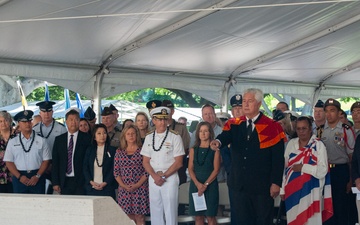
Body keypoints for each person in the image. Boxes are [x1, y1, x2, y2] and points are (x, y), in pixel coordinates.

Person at [210, 88, 286, 225]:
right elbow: (225, 137)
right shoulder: (234, 124)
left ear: (259, 103)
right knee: (240, 221)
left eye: (249, 101)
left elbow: (278, 158)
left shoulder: (272, 127)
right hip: (238, 185)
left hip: (262, 186)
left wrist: (276, 183)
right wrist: (218, 142)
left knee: (262, 221)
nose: (245, 104)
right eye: (244, 101)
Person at [280, 116, 332, 225]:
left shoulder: (318, 145)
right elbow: (284, 168)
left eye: (304, 128)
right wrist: (282, 189)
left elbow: (323, 170)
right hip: (292, 191)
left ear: (310, 129)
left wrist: (303, 167)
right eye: (298, 129)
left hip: (312, 193)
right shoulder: (291, 144)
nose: (301, 131)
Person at [141, 106, 185, 225]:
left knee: (170, 211)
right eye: (159, 119)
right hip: (154, 177)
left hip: (169, 177)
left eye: (165, 119)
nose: (162, 122)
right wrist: (155, 176)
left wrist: (164, 176)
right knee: (156, 210)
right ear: (153, 120)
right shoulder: (149, 137)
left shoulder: (175, 136)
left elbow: (179, 162)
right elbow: (145, 161)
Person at [322, 98, 356, 225]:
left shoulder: (346, 130)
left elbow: (352, 157)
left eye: (332, 111)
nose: (329, 114)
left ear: (338, 112)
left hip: (341, 171)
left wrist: (351, 179)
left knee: (341, 206)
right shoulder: (319, 130)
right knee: (326, 205)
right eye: (326, 111)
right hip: (324, 172)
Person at [4, 110, 51, 194]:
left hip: (37, 176)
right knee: (20, 205)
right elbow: (8, 162)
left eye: (29, 121)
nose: (27, 124)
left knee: (39, 204)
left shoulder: (41, 140)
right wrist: (19, 177)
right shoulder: (12, 142)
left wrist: (37, 176)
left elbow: (46, 160)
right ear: (19, 123)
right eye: (24, 122)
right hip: (19, 177)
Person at [114, 125, 149, 225]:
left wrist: (137, 184)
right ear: (124, 136)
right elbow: (116, 172)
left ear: (137, 135)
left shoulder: (143, 150)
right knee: (128, 217)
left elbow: (146, 171)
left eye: (133, 133)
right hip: (124, 188)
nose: (131, 136)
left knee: (140, 217)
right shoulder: (119, 151)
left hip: (140, 187)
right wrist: (123, 185)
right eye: (128, 134)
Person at [52, 108, 91, 195]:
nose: (73, 122)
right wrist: (55, 182)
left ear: (79, 121)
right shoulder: (59, 140)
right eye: (71, 120)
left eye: (76, 120)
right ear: (66, 121)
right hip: (64, 180)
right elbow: (55, 162)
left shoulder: (87, 139)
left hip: (81, 180)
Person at [188, 121, 220, 225]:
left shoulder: (215, 150)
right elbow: (190, 169)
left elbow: (216, 170)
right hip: (196, 185)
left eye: (206, 131)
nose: (203, 133)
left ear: (210, 132)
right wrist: (198, 184)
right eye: (201, 131)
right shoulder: (193, 149)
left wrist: (205, 184)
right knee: (198, 217)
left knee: (210, 217)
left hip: (210, 186)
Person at [83, 124, 116, 199]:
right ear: (94, 136)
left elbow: (113, 168)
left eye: (104, 133)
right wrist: (91, 182)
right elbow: (85, 168)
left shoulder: (112, 150)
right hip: (91, 188)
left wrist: (105, 182)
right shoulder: (90, 150)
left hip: (107, 188)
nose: (102, 135)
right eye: (99, 133)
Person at [162, 100, 190, 184]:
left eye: (168, 110)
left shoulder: (181, 128)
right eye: (164, 110)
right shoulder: (155, 128)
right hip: (161, 166)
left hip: (178, 166)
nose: (166, 113)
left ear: (173, 111)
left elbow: (186, 147)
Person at [0, 111, 16, 193]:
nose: (3, 123)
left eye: (5, 120)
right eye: (0, 121)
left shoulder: (17, 136)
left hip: (15, 177)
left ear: (10, 121)